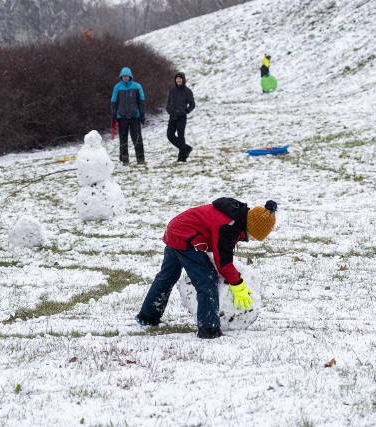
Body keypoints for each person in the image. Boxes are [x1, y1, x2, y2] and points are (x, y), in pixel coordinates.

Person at [135, 198, 277, 339]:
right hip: (185, 236)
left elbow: (217, 246)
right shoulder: (229, 226)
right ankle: (209, 328)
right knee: (207, 280)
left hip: (176, 229)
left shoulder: (237, 215)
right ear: (251, 227)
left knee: (168, 275)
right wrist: (237, 284)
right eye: (254, 236)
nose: (252, 240)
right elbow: (223, 263)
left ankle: (148, 316)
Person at [111, 67, 146, 166]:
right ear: (121, 77)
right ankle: (124, 160)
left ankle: (140, 159)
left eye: (127, 76)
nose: (125, 78)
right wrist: (114, 117)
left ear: (130, 76)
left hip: (135, 117)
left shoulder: (137, 86)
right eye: (123, 76)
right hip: (122, 118)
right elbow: (113, 103)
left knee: (137, 138)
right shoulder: (117, 88)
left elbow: (141, 102)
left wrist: (142, 116)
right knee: (123, 139)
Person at [166, 72, 195, 162]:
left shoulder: (187, 91)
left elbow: (192, 104)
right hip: (172, 117)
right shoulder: (172, 90)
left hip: (181, 117)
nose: (178, 80)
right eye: (177, 78)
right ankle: (186, 148)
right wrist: (168, 109)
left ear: (183, 79)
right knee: (170, 135)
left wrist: (186, 111)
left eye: (180, 78)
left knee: (181, 136)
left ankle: (182, 158)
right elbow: (168, 102)